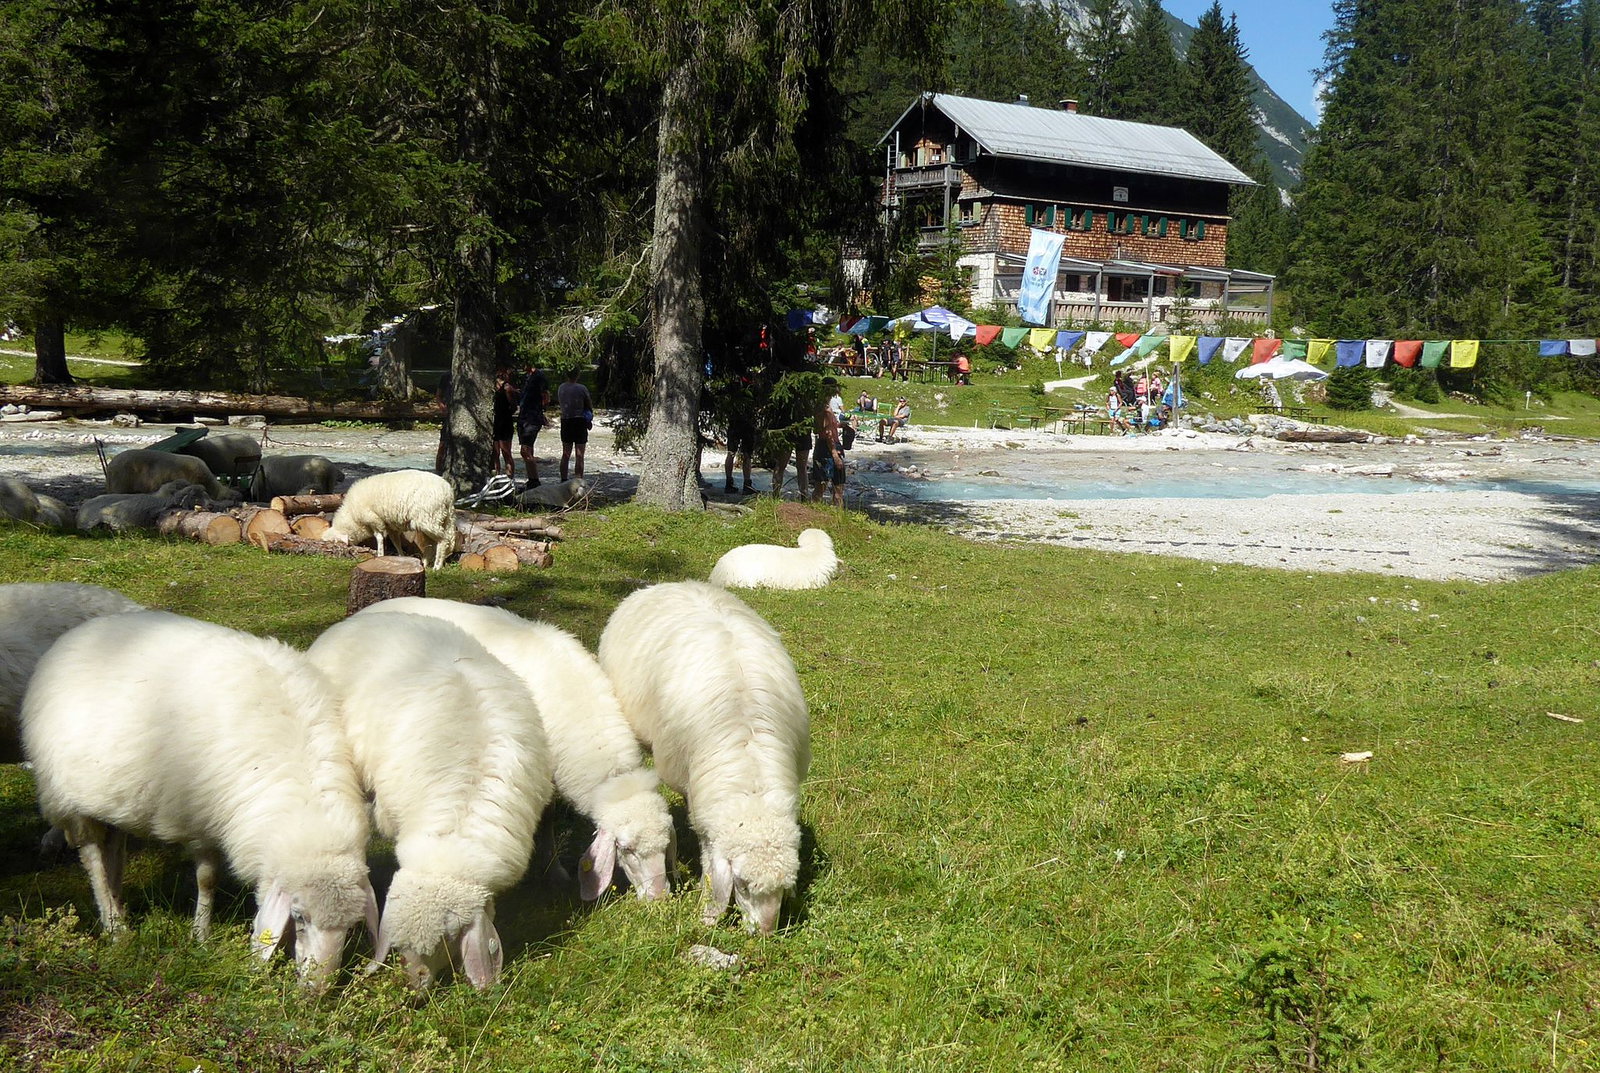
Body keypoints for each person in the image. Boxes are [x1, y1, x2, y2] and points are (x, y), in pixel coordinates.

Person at [810, 384, 846, 508]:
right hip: (828, 448)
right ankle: (832, 512)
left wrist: (840, 425)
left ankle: (834, 514)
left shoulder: (822, 408)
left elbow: (828, 429)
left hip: (825, 446)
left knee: (832, 485)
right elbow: (827, 434)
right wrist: (835, 455)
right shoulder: (824, 410)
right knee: (828, 485)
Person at [516, 359, 550, 489]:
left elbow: (546, 395)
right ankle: (531, 480)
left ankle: (535, 480)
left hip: (532, 417)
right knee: (528, 449)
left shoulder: (539, 377)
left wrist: (541, 410)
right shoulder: (526, 377)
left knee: (525, 450)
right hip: (523, 416)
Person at [556, 366, 593, 483]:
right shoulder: (582, 388)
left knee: (566, 453)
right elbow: (589, 405)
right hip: (579, 421)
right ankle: (578, 480)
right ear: (578, 375)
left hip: (566, 421)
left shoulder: (561, 387)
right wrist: (589, 419)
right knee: (579, 454)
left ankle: (563, 479)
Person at [491, 365, 518, 480]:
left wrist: (509, 394)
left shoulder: (507, 388)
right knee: (495, 453)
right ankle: (495, 478)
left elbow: (513, 407)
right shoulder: (491, 387)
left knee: (506, 452)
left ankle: (509, 479)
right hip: (495, 422)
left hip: (505, 422)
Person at [432, 369, 453, 474]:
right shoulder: (446, 376)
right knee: (443, 445)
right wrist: (442, 406)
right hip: (448, 416)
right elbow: (438, 395)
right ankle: (438, 470)